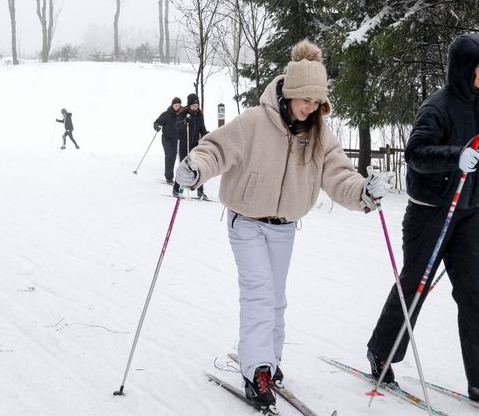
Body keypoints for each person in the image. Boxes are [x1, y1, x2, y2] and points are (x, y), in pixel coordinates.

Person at [174, 39, 387, 413]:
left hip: (284, 226)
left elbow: (340, 175)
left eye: (317, 101)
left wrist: (364, 193)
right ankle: (257, 368)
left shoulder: (319, 135)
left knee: (275, 297)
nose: (310, 107)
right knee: (259, 293)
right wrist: (195, 168)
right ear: (290, 92)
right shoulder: (254, 122)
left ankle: (269, 359)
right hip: (246, 221)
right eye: (305, 99)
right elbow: (217, 149)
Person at [364, 33, 479, 411]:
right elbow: (416, 153)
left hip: (466, 214)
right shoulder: (437, 106)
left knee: (475, 295)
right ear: (462, 68)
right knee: (415, 285)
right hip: (430, 211)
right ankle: (381, 352)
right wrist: (454, 155)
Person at [172, 93, 209, 199]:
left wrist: (206, 135)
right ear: (189, 105)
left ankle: (200, 192)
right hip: (184, 143)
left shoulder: (199, 115)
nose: (195, 107)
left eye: (197, 105)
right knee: (184, 167)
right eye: (193, 105)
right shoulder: (183, 113)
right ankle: (176, 189)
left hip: (194, 144)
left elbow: (202, 129)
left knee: (197, 166)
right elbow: (177, 126)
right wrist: (184, 122)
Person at [153, 97, 182, 184]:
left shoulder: (181, 114)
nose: (177, 107)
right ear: (172, 105)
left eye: (178, 105)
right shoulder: (166, 114)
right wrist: (157, 126)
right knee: (169, 155)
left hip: (176, 139)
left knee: (173, 156)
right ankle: (169, 177)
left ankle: (172, 176)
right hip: (166, 138)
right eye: (175, 105)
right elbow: (157, 122)